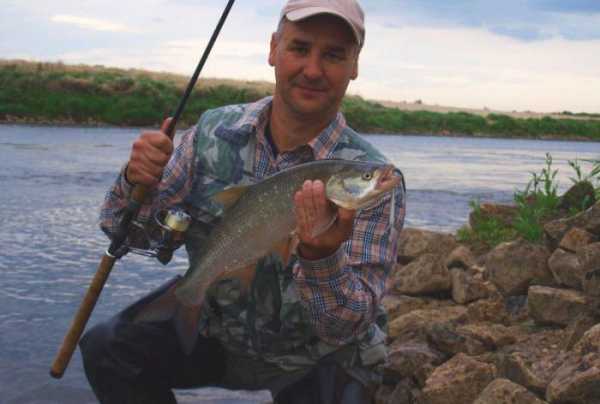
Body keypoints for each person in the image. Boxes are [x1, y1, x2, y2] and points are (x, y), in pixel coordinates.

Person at [80, 0, 406, 403]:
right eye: (300, 48)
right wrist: (135, 182)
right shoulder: (211, 133)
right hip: (220, 332)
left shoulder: (376, 179)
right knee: (107, 349)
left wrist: (322, 259)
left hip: (317, 357)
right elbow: (124, 233)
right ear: (273, 49)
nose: (313, 70)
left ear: (354, 65)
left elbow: (343, 328)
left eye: (334, 55)